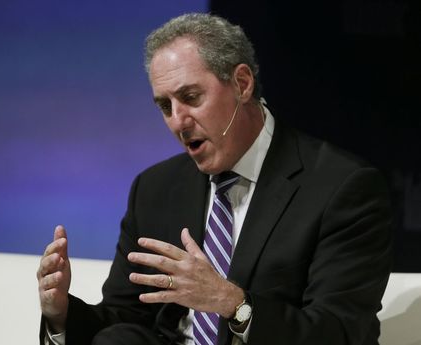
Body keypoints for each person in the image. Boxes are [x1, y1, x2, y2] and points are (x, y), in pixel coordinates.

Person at [37, 13, 393, 345]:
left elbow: (341, 332)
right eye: (165, 106)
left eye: (191, 97)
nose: (177, 121)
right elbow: (125, 314)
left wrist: (232, 304)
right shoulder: (155, 188)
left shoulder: (341, 187)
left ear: (242, 83)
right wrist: (61, 314)